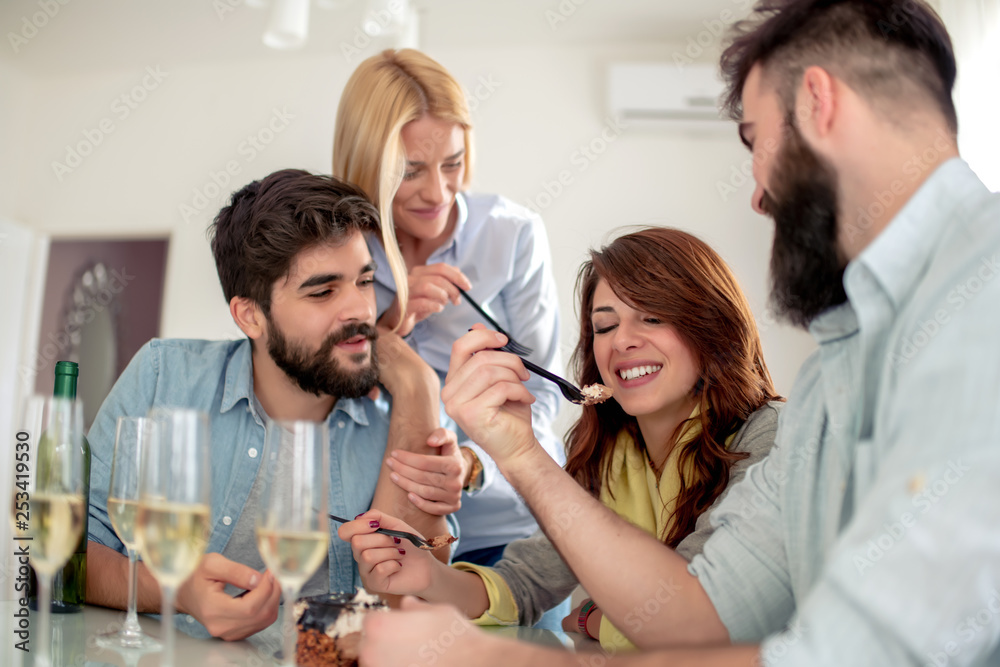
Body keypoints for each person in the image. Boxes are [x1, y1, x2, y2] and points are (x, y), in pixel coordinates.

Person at [353, 0, 1000, 665]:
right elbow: (705, 619)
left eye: (754, 139)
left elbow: (873, 652)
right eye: (606, 324)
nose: (757, 194)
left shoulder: (980, 298)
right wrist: (516, 451)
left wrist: (502, 659)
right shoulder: (831, 375)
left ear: (817, 103)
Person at [340, 227, 784, 651]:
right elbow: (525, 584)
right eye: (605, 327)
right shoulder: (609, 455)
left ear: (712, 327)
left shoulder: (773, 437)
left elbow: (695, 622)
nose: (623, 340)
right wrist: (427, 576)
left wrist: (606, 620)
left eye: (653, 317)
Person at [85, 169, 464, 641]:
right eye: (324, 291)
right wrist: (174, 590)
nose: (362, 311)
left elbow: (410, 599)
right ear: (251, 316)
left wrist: (416, 384)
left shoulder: (403, 413)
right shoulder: (167, 379)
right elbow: (62, 554)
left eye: (364, 281)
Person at [332, 50, 566, 573]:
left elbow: (547, 391)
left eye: (453, 164)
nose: (436, 192)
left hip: (505, 534)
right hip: (376, 530)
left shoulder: (512, 235)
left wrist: (473, 464)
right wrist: (389, 324)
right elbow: (309, 388)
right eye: (409, 171)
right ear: (367, 162)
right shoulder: (333, 250)